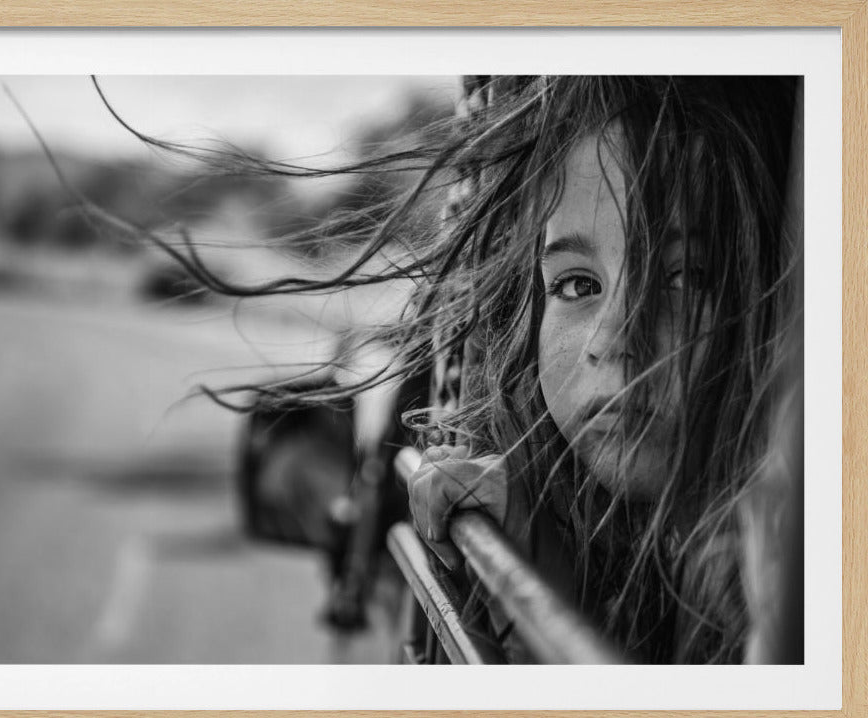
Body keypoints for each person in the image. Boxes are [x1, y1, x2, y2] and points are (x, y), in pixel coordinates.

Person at [96, 75, 802, 664]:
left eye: (687, 277)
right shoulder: (569, 528)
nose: (614, 340)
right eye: (577, 284)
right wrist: (545, 578)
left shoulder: (791, 573)